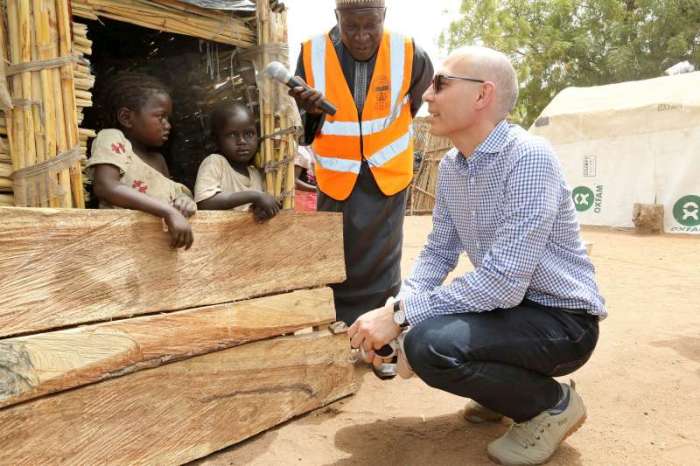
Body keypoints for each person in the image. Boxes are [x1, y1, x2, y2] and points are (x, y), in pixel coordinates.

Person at [348, 46, 607, 465]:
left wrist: (400, 317)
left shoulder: (528, 158)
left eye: (440, 83)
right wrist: (397, 310)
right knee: (420, 330)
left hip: (562, 322)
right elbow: (438, 251)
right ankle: (502, 391)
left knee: (431, 346)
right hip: (512, 311)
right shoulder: (453, 166)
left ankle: (550, 404)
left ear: (482, 96)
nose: (427, 95)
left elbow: (501, 282)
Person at [289, 0, 434, 378]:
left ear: (384, 17)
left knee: (384, 264)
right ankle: (337, 341)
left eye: (370, 26)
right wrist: (310, 110)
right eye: (352, 26)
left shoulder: (410, 52)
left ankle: (382, 347)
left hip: (385, 172)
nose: (362, 36)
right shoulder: (311, 53)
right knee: (336, 260)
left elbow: (414, 105)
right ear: (337, 18)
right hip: (337, 175)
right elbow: (302, 123)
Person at [88, 72, 196, 250]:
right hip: (119, 247)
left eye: (168, 118)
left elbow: (172, 193)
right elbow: (106, 186)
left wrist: (183, 200)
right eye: (161, 117)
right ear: (126, 117)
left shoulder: (159, 160)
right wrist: (167, 211)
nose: (167, 125)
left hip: (156, 250)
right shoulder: (113, 138)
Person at [194, 102, 279, 221]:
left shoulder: (256, 173)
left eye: (249, 134)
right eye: (232, 135)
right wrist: (254, 196)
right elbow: (205, 203)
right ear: (216, 139)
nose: (242, 141)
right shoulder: (215, 163)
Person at [294, 145, 317, 212]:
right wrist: (316, 189)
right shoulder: (301, 152)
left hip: (311, 198)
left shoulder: (310, 149)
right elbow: (294, 182)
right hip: (303, 200)